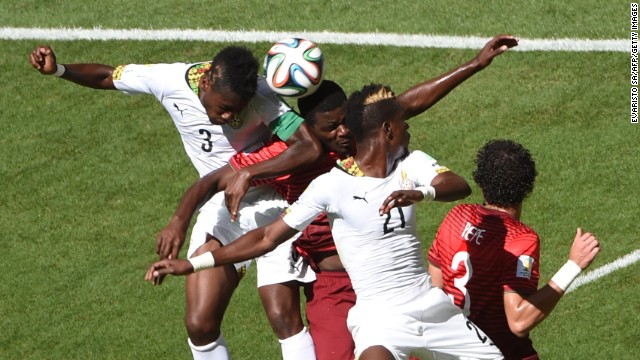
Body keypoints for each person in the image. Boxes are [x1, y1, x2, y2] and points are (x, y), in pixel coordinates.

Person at [146, 84, 507, 360]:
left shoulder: (405, 162)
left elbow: (453, 179)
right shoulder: (326, 183)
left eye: (343, 124)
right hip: (364, 307)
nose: (341, 133)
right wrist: (192, 262)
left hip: (431, 306)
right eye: (330, 127)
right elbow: (266, 237)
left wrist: (421, 193)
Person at [28, 44, 326, 359]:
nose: (228, 116)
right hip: (220, 204)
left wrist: (248, 173)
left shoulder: (260, 96)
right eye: (224, 107)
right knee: (200, 324)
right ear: (206, 82)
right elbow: (107, 76)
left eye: (236, 110)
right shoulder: (167, 80)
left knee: (283, 317)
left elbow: (308, 147)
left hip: (277, 202)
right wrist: (60, 70)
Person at [427, 139, 600, 359]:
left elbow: (436, 288)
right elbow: (518, 322)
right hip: (500, 352)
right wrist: (573, 266)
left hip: (453, 350)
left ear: (481, 183)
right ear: (527, 187)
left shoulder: (456, 216)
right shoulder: (520, 239)